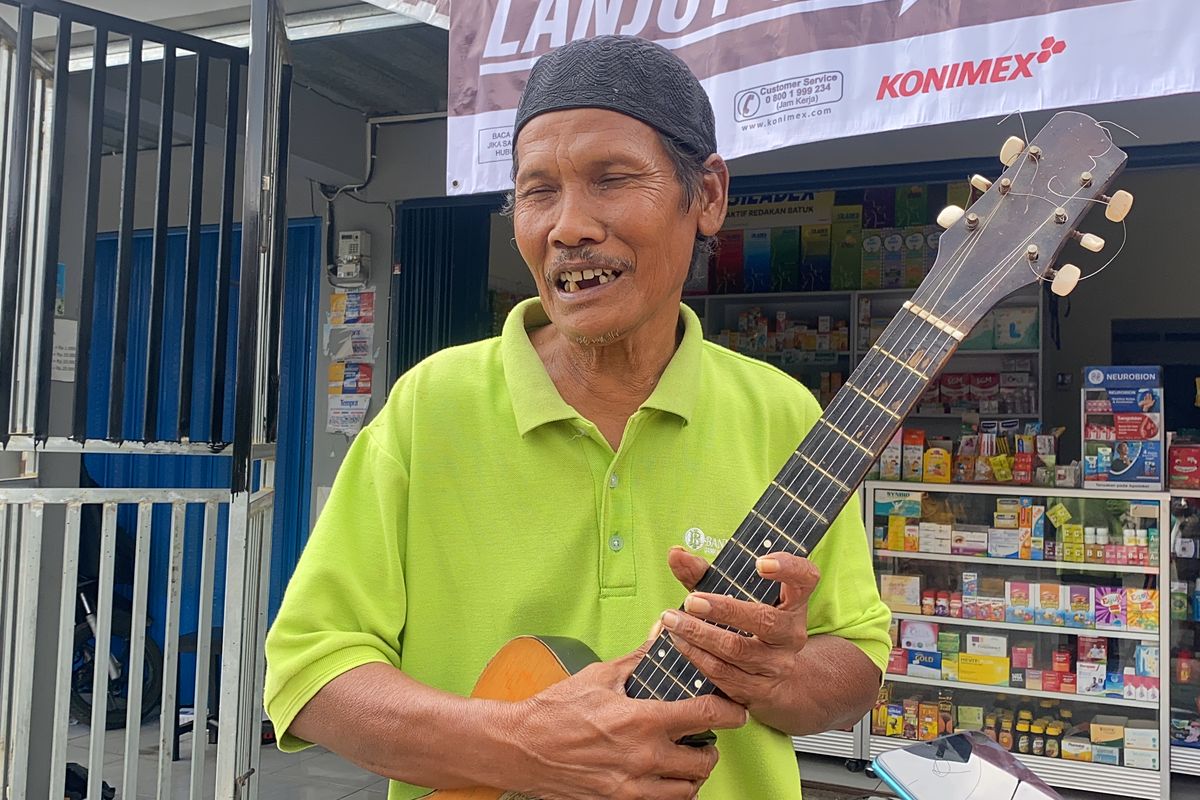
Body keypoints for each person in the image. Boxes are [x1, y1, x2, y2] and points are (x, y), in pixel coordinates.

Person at [264, 35, 891, 800]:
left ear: (709, 196)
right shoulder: (431, 406)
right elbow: (309, 670)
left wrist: (779, 673)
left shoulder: (783, 412)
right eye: (538, 190)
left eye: (612, 178)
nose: (569, 227)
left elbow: (856, 661)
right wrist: (520, 746)